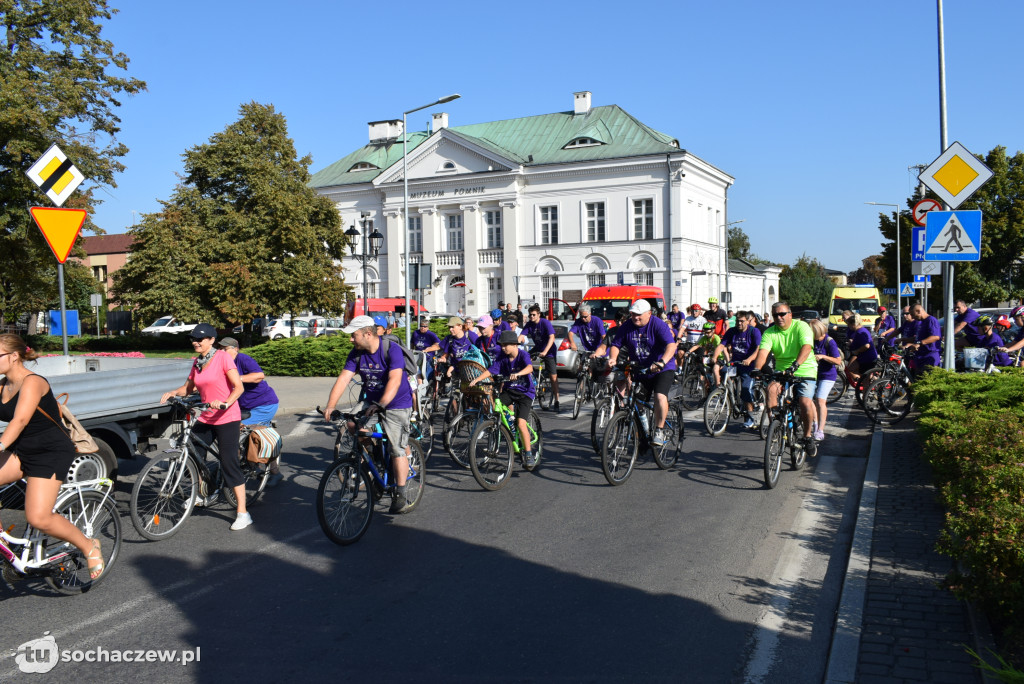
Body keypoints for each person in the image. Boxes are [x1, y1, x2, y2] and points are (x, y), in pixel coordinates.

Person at [0, 334, 106, 578]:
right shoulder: (3, 385)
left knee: (39, 517)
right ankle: (6, 545)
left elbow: (21, 419)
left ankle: (88, 546)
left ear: (14, 356)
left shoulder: (33, 382)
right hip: (22, 449)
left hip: (50, 452)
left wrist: (1, 444)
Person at [323, 315, 415, 514]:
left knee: (396, 448)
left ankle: (400, 492)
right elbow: (343, 379)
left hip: (397, 403)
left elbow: (395, 380)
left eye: (353, 335)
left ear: (367, 334)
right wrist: (331, 405)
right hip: (372, 400)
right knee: (351, 423)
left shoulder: (392, 350)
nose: (350, 339)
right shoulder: (356, 354)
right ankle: (373, 455)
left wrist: (381, 404)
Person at [161, 324, 249, 530]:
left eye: (200, 339)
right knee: (194, 453)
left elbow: (239, 387)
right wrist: (173, 392)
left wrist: (226, 402)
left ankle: (243, 512)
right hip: (207, 416)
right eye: (193, 339)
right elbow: (188, 388)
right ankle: (202, 493)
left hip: (227, 416)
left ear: (211, 340)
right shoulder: (197, 362)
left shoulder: (223, 358)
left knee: (229, 463)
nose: (196, 342)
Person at [603, 299, 678, 446]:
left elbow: (671, 345)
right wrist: (612, 358)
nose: (635, 317)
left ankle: (659, 430)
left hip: (662, 368)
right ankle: (643, 433)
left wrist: (662, 362)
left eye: (639, 314)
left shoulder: (658, 325)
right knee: (637, 403)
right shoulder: (627, 326)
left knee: (659, 396)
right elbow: (616, 344)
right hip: (641, 369)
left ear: (649, 314)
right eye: (633, 314)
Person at [752, 302, 818, 456]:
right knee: (771, 389)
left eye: (782, 314)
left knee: (805, 403)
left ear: (790, 314)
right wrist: (757, 369)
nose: (779, 317)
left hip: (804, 368)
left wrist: (795, 366)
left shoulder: (801, 327)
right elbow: (763, 352)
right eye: (775, 315)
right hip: (782, 370)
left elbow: (806, 347)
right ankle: (776, 425)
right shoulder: (770, 332)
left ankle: (808, 436)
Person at [217, 337, 284, 487]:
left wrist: (237, 378)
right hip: (243, 406)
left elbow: (259, 376)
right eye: (220, 348)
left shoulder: (243, 359)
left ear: (236, 349)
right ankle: (251, 465)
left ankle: (275, 472)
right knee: (236, 432)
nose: (222, 351)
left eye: (225, 348)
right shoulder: (221, 362)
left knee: (254, 434)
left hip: (263, 404)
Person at [467, 330, 537, 467]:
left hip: (525, 393)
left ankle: (528, 454)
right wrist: (477, 379)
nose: (503, 347)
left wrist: (518, 373)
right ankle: (503, 427)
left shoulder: (522, 355)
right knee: (495, 407)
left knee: (521, 423)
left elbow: (529, 368)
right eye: (502, 345)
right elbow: (491, 370)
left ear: (514, 345)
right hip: (510, 391)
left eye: (505, 345)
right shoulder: (502, 357)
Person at [713, 310, 762, 427]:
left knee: (745, 389)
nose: (739, 323)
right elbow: (721, 345)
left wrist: (750, 359)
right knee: (723, 372)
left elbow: (758, 349)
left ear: (747, 321)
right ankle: (730, 396)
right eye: (737, 321)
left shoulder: (753, 331)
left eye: (742, 321)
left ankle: (750, 417)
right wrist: (714, 357)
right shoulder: (732, 331)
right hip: (735, 364)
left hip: (748, 366)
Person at [522, 305, 560, 412]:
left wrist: (545, 352)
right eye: (530, 315)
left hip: (549, 350)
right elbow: (520, 336)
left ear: (539, 314)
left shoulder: (545, 323)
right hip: (537, 348)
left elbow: (552, 337)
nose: (531, 317)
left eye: (534, 315)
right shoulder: (529, 324)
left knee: (553, 377)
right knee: (523, 360)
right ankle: (532, 381)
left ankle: (557, 400)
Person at [809, 319, 842, 442]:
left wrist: (823, 356)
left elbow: (838, 361)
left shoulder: (829, 342)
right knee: (808, 398)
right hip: (813, 373)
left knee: (820, 400)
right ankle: (815, 423)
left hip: (827, 375)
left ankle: (820, 430)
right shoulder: (811, 340)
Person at [905, 303, 942, 373]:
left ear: (918, 311)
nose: (912, 317)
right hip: (920, 356)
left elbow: (935, 337)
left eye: (913, 314)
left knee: (926, 380)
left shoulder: (931, 320)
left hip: (929, 356)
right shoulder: (921, 322)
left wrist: (919, 343)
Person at [845, 313, 878, 387]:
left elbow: (866, 345)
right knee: (850, 369)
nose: (848, 327)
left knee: (865, 379)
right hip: (863, 358)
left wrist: (857, 351)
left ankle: (865, 395)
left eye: (849, 325)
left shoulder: (860, 332)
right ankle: (871, 380)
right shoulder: (859, 331)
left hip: (868, 358)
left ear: (853, 324)